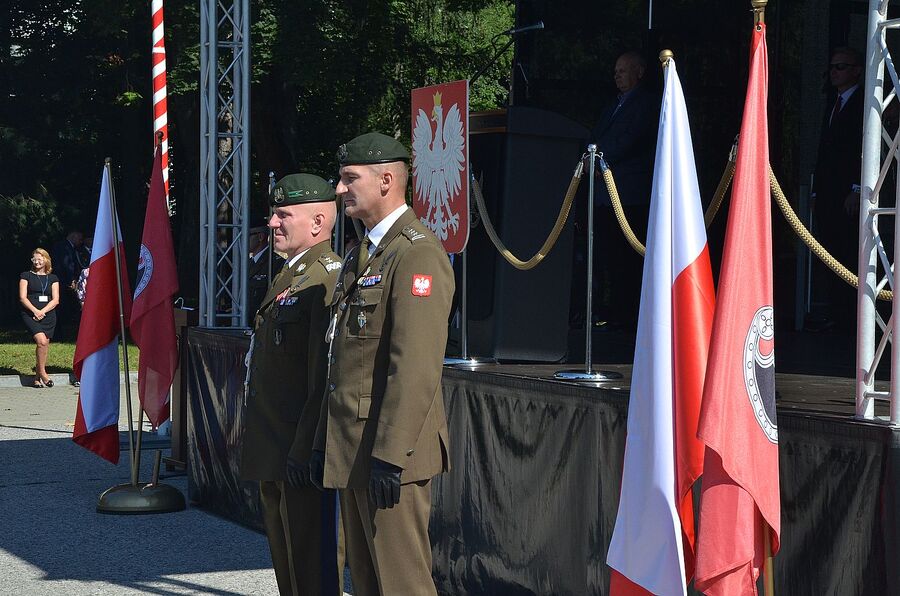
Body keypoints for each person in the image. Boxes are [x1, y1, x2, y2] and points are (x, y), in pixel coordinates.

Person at [311, 132, 454, 596]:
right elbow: (342, 358)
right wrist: (322, 442)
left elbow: (413, 366)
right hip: (356, 447)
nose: (339, 189)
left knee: (402, 584)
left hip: (390, 454)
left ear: (387, 180)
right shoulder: (363, 252)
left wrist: (391, 457)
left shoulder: (416, 253)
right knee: (370, 583)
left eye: (350, 178)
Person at [239, 173, 344, 596]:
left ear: (318, 222)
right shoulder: (291, 275)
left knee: (310, 566)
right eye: (273, 213)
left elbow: (323, 377)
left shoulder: (327, 277)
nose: (273, 222)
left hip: (299, 448)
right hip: (275, 444)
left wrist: (306, 448)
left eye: (284, 214)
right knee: (288, 565)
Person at [590, 50, 660, 329]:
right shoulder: (613, 105)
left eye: (623, 70)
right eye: (615, 70)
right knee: (608, 257)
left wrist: (601, 159)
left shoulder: (647, 104)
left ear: (639, 72)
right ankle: (610, 311)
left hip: (629, 195)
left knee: (627, 260)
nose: (616, 75)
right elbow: (595, 136)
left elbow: (631, 139)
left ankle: (627, 316)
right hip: (605, 195)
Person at [808, 46, 864, 331]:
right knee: (830, 251)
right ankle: (835, 313)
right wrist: (816, 191)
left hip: (849, 195)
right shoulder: (834, 102)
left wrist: (857, 188)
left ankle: (849, 317)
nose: (834, 72)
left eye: (841, 67)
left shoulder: (864, 105)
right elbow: (823, 151)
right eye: (831, 67)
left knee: (848, 254)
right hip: (829, 193)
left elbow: (863, 150)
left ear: (856, 70)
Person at [19, 248, 60, 388]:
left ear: (46, 260)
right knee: (41, 341)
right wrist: (36, 311)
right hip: (30, 314)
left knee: (44, 345)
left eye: (40, 259)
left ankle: (37, 378)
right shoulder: (26, 276)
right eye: (34, 259)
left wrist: (43, 311)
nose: (37, 262)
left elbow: (55, 300)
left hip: (48, 315)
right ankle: (43, 373)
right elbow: (22, 297)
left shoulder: (53, 278)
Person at [247, 218, 285, 317]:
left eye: (247, 235)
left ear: (260, 237)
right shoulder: (248, 263)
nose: (242, 240)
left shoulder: (275, 263)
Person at [50, 229, 84, 332]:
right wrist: (71, 280)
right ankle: (57, 331)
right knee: (61, 306)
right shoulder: (64, 247)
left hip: (64, 280)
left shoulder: (69, 247)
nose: (81, 241)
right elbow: (67, 265)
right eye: (79, 238)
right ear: (73, 236)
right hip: (63, 280)